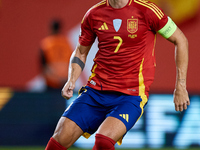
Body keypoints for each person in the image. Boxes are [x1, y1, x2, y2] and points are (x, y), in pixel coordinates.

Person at [45, 0, 190, 149]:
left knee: (103, 141)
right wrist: (71, 79)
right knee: (59, 140)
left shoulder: (147, 11)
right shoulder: (94, 14)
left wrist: (181, 86)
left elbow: (181, 40)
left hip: (130, 95)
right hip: (95, 92)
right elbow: (81, 52)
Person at [40, 19, 72, 90]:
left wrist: (56, 79)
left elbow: (43, 65)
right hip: (65, 81)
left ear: (51, 28)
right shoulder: (66, 43)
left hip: (51, 82)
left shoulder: (46, 44)